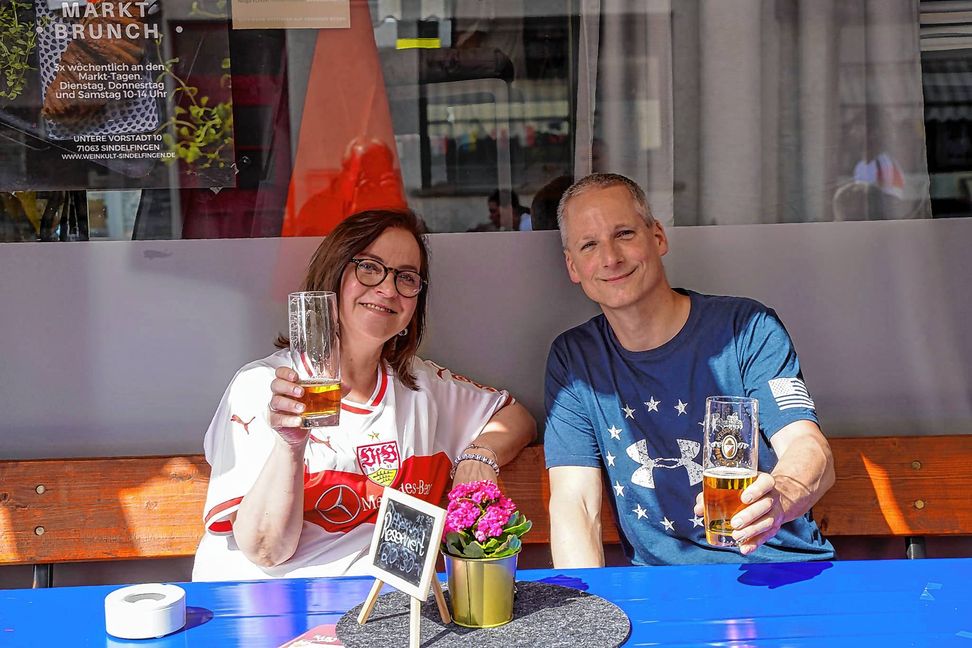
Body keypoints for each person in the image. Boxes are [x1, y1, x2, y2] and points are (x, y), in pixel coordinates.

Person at [193, 209, 536, 581]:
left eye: (406, 277)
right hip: (266, 609)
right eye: (370, 268)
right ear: (334, 275)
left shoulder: (420, 385)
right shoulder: (265, 386)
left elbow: (515, 418)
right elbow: (265, 550)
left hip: (382, 612)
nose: (388, 289)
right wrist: (290, 445)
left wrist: (479, 456)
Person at [544, 173, 835, 567]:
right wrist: (583, 619)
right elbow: (575, 503)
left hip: (779, 571)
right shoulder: (574, 358)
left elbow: (809, 448)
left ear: (658, 237)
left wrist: (780, 496)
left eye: (625, 234)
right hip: (663, 593)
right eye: (589, 245)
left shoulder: (746, 327)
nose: (610, 258)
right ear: (572, 266)